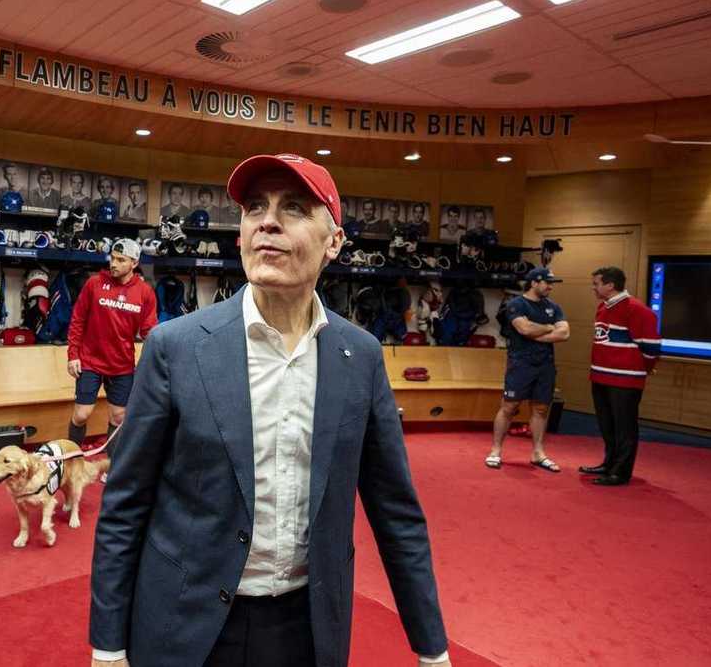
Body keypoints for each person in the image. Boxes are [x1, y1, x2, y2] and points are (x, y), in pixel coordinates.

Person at [90, 153, 451, 667]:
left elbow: (396, 511)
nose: (268, 221)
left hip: (305, 630)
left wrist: (431, 648)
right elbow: (124, 505)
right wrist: (107, 646)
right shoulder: (176, 347)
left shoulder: (362, 356)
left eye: (295, 208)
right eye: (255, 207)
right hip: (183, 625)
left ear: (334, 243)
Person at [65, 238, 157, 449]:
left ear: (134, 263)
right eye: (112, 258)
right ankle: (70, 461)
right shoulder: (94, 284)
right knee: (81, 414)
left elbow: (149, 331)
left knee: (118, 417)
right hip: (90, 361)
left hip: (121, 365)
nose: (113, 264)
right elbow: (77, 320)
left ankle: (112, 467)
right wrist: (73, 355)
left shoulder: (145, 293)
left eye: (120, 260)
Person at [582, 266, 661, 486]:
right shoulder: (602, 308)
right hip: (600, 377)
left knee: (624, 427)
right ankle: (609, 463)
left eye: (596, 283)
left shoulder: (637, 309)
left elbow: (651, 347)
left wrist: (642, 368)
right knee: (607, 425)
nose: (593, 288)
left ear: (610, 285)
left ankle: (621, 471)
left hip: (625, 380)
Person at [486, 267, 569, 473]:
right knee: (509, 407)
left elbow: (565, 333)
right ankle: (495, 450)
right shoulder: (516, 305)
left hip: (545, 364)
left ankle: (538, 453)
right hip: (521, 363)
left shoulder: (554, 306)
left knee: (541, 408)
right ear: (534, 283)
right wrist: (550, 327)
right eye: (547, 283)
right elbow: (524, 329)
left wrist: (538, 332)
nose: (550, 287)